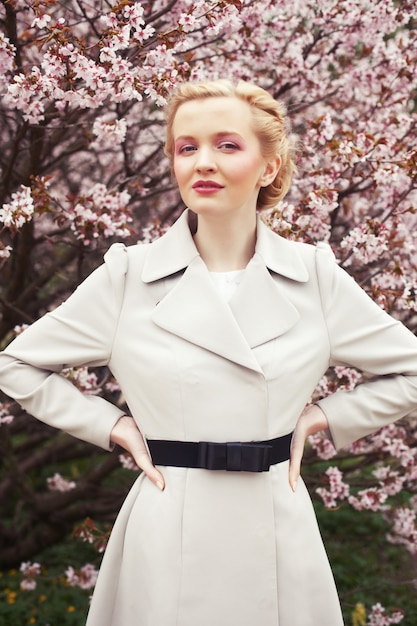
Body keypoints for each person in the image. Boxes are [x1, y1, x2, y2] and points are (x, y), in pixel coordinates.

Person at [1, 79, 417, 626]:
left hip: (275, 524)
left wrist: (323, 417)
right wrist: (113, 425)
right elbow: (16, 364)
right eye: (186, 146)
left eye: (227, 145)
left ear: (268, 166)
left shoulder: (313, 276)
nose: (203, 162)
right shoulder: (129, 276)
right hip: (167, 521)